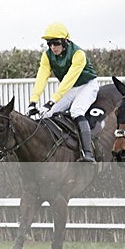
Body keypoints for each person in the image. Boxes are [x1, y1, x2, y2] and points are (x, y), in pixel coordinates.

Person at [27, 22, 98, 162]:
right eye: (49, 44)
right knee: (47, 114)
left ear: (65, 41)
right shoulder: (46, 56)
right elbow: (41, 78)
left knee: (77, 111)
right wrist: (33, 101)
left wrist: (52, 101)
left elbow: (68, 80)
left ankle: (88, 154)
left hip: (87, 85)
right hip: (71, 88)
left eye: (56, 43)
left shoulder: (78, 54)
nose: (53, 47)